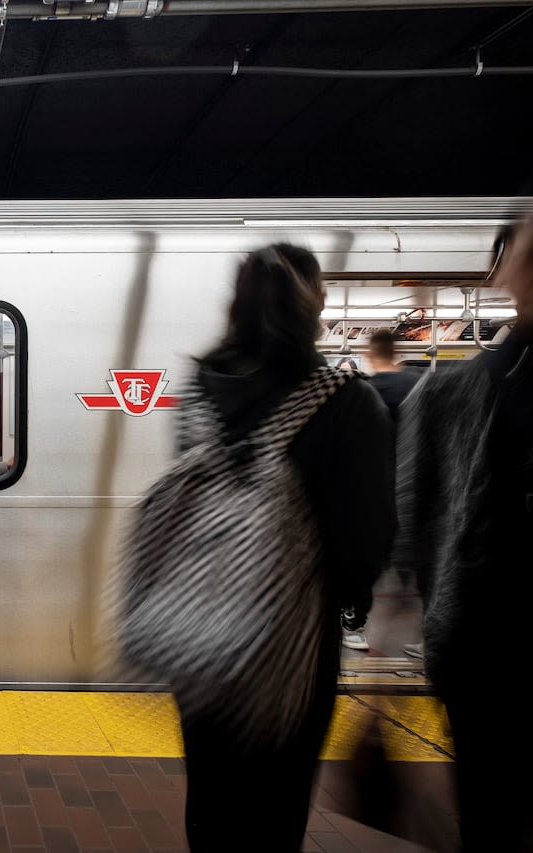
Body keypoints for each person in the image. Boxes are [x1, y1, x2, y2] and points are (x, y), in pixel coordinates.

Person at [176, 244, 395, 851]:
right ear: (315, 306)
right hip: (294, 650)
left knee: (211, 804)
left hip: (199, 641)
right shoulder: (347, 402)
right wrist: (350, 603)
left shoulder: (198, 392)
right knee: (275, 813)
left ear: (235, 306)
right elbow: (366, 539)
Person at [396, 216, 533, 851]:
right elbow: (415, 516)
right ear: (501, 271)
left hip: (479, 640)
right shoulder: (449, 393)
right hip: (485, 648)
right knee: (490, 810)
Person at [341, 329, 425, 653]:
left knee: (364, 558)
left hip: (373, 488)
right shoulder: (418, 384)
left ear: (369, 353)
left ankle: (355, 625)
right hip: (412, 483)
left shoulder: (366, 391)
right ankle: (422, 634)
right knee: (416, 558)